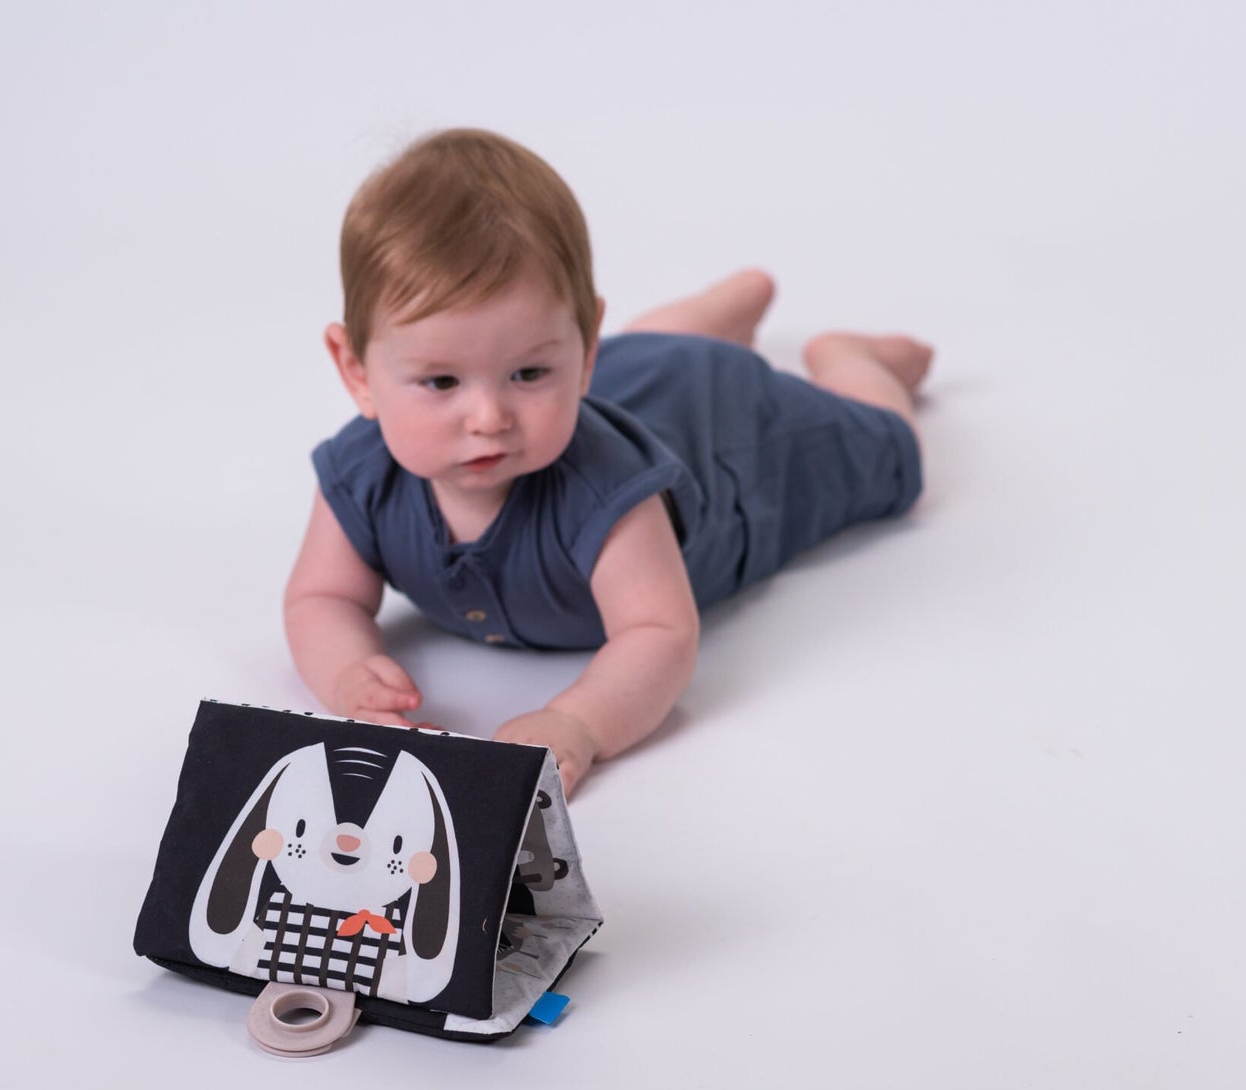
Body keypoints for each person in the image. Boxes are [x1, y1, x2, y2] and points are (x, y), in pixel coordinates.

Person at [283, 128, 932, 795]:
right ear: (356, 370)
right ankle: (711, 312)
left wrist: (578, 721)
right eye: (442, 382)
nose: (488, 417)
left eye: (529, 372)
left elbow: (660, 632)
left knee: (892, 456)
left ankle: (852, 360)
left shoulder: (611, 493)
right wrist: (347, 672)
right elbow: (321, 597)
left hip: (726, 431)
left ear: (583, 347)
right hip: (628, 376)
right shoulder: (360, 475)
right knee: (637, 359)